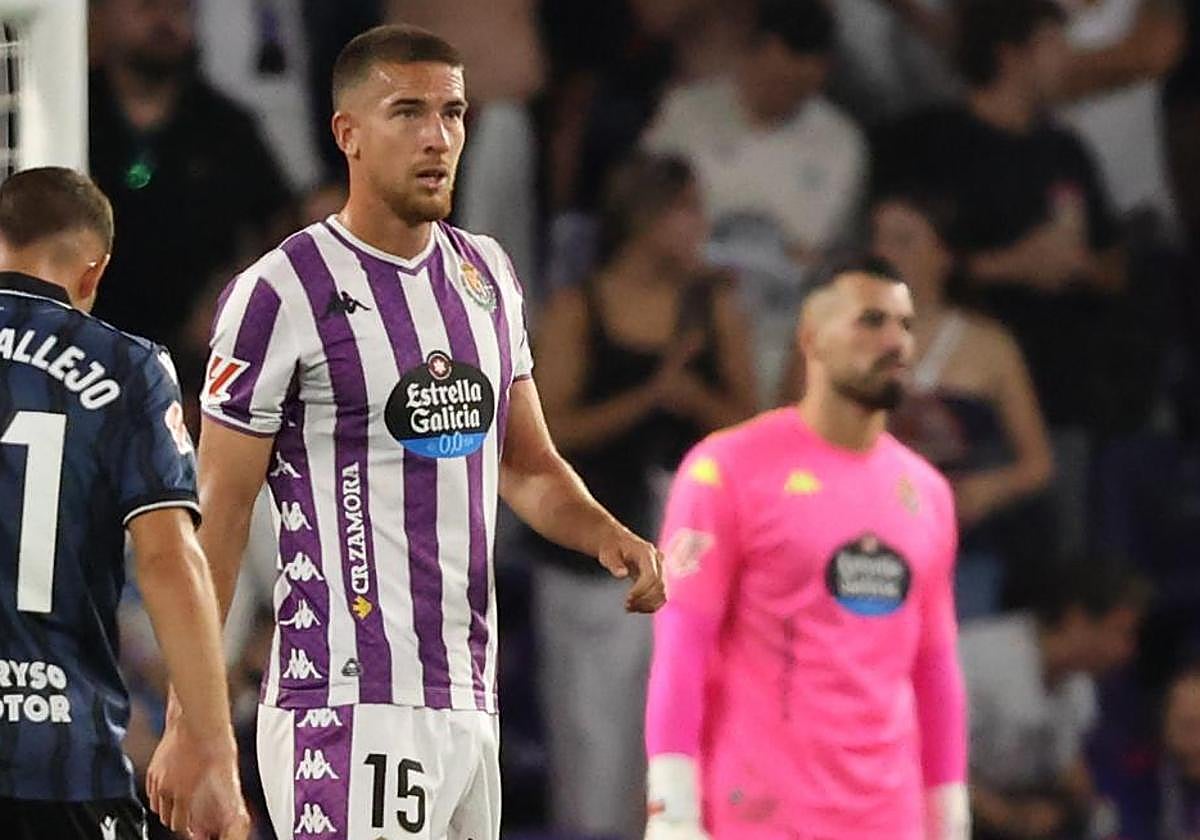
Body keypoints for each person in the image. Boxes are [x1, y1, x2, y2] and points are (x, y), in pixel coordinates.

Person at [145, 24, 666, 840]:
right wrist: (192, 723)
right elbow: (218, 512)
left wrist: (607, 534)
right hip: (349, 704)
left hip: (467, 695)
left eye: (454, 112)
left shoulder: (485, 273)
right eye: (409, 112)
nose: (439, 136)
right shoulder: (283, 291)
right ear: (347, 134)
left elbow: (526, 465)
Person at [644, 256, 969, 839]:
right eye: (872, 321)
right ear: (811, 335)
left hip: (888, 819)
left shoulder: (928, 492)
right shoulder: (726, 470)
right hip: (760, 815)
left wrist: (949, 812)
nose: (896, 341)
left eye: (906, 324)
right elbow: (682, 647)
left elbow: (934, 666)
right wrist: (673, 813)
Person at [0, 168, 248, 839]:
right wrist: (213, 745)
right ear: (94, 273)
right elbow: (168, 560)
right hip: (62, 760)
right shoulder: (123, 365)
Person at [531, 153, 756, 839]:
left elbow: (753, 426)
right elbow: (549, 431)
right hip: (593, 566)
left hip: (693, 566)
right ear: (646, 217)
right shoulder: (579, 309)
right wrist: (647, 399)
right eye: (688, 211)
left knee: (680, 759)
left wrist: (693, 400)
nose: (700, 227)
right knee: (595, 750)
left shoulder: (712, 306)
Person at [873, 189, 1056, 617]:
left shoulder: (989, 345)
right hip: (865, 541)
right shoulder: (840, 336)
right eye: (878, 239)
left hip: (960, 549)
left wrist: (987, 489)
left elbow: (1038, 464)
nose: (884, 252)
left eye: (903, 240)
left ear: (944, 254)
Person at [961, 555, 1149, 840]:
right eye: (1122, 632)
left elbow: (1066, 766)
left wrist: (1100, 818)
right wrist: (1007, 816)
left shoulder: (1079, 684)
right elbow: (928, 761)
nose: (1128, 650)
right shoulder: (980, 658)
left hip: (1010, 805)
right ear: (1077, 618)